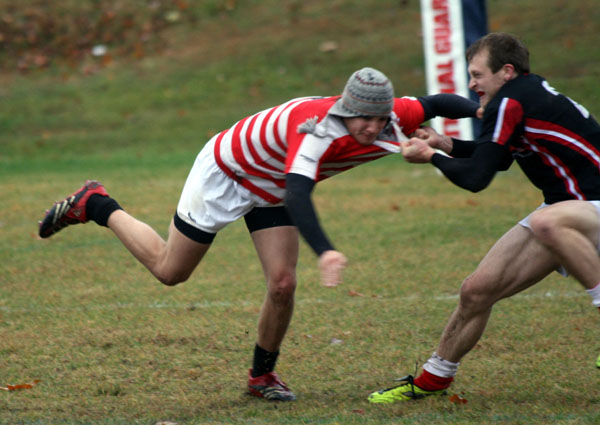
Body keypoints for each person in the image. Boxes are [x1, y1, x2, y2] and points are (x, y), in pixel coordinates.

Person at [38, 67, 480, 401]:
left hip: (273, 185)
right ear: (347, 109)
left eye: (379, 118)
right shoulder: (315, 130)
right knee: (170, 272)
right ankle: (97, 204)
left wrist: (482, 111)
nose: (371, 127)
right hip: (228, 172)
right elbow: (299, 194)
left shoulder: (392, 114)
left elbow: (438, 102)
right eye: (362, 118)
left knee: (283, 284)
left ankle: (261, 376)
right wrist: (325, 251)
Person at [368, 33, 600, 403]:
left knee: (548, 222)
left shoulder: (509, 102)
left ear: (506, 71)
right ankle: (433, 379)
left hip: (584, 208)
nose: (472, 85)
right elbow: (498, 158)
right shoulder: (521, 96)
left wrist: (430, 157)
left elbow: (476, 179)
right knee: (476, 291)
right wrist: (442, 144)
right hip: (569, 207)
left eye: (477, 75)